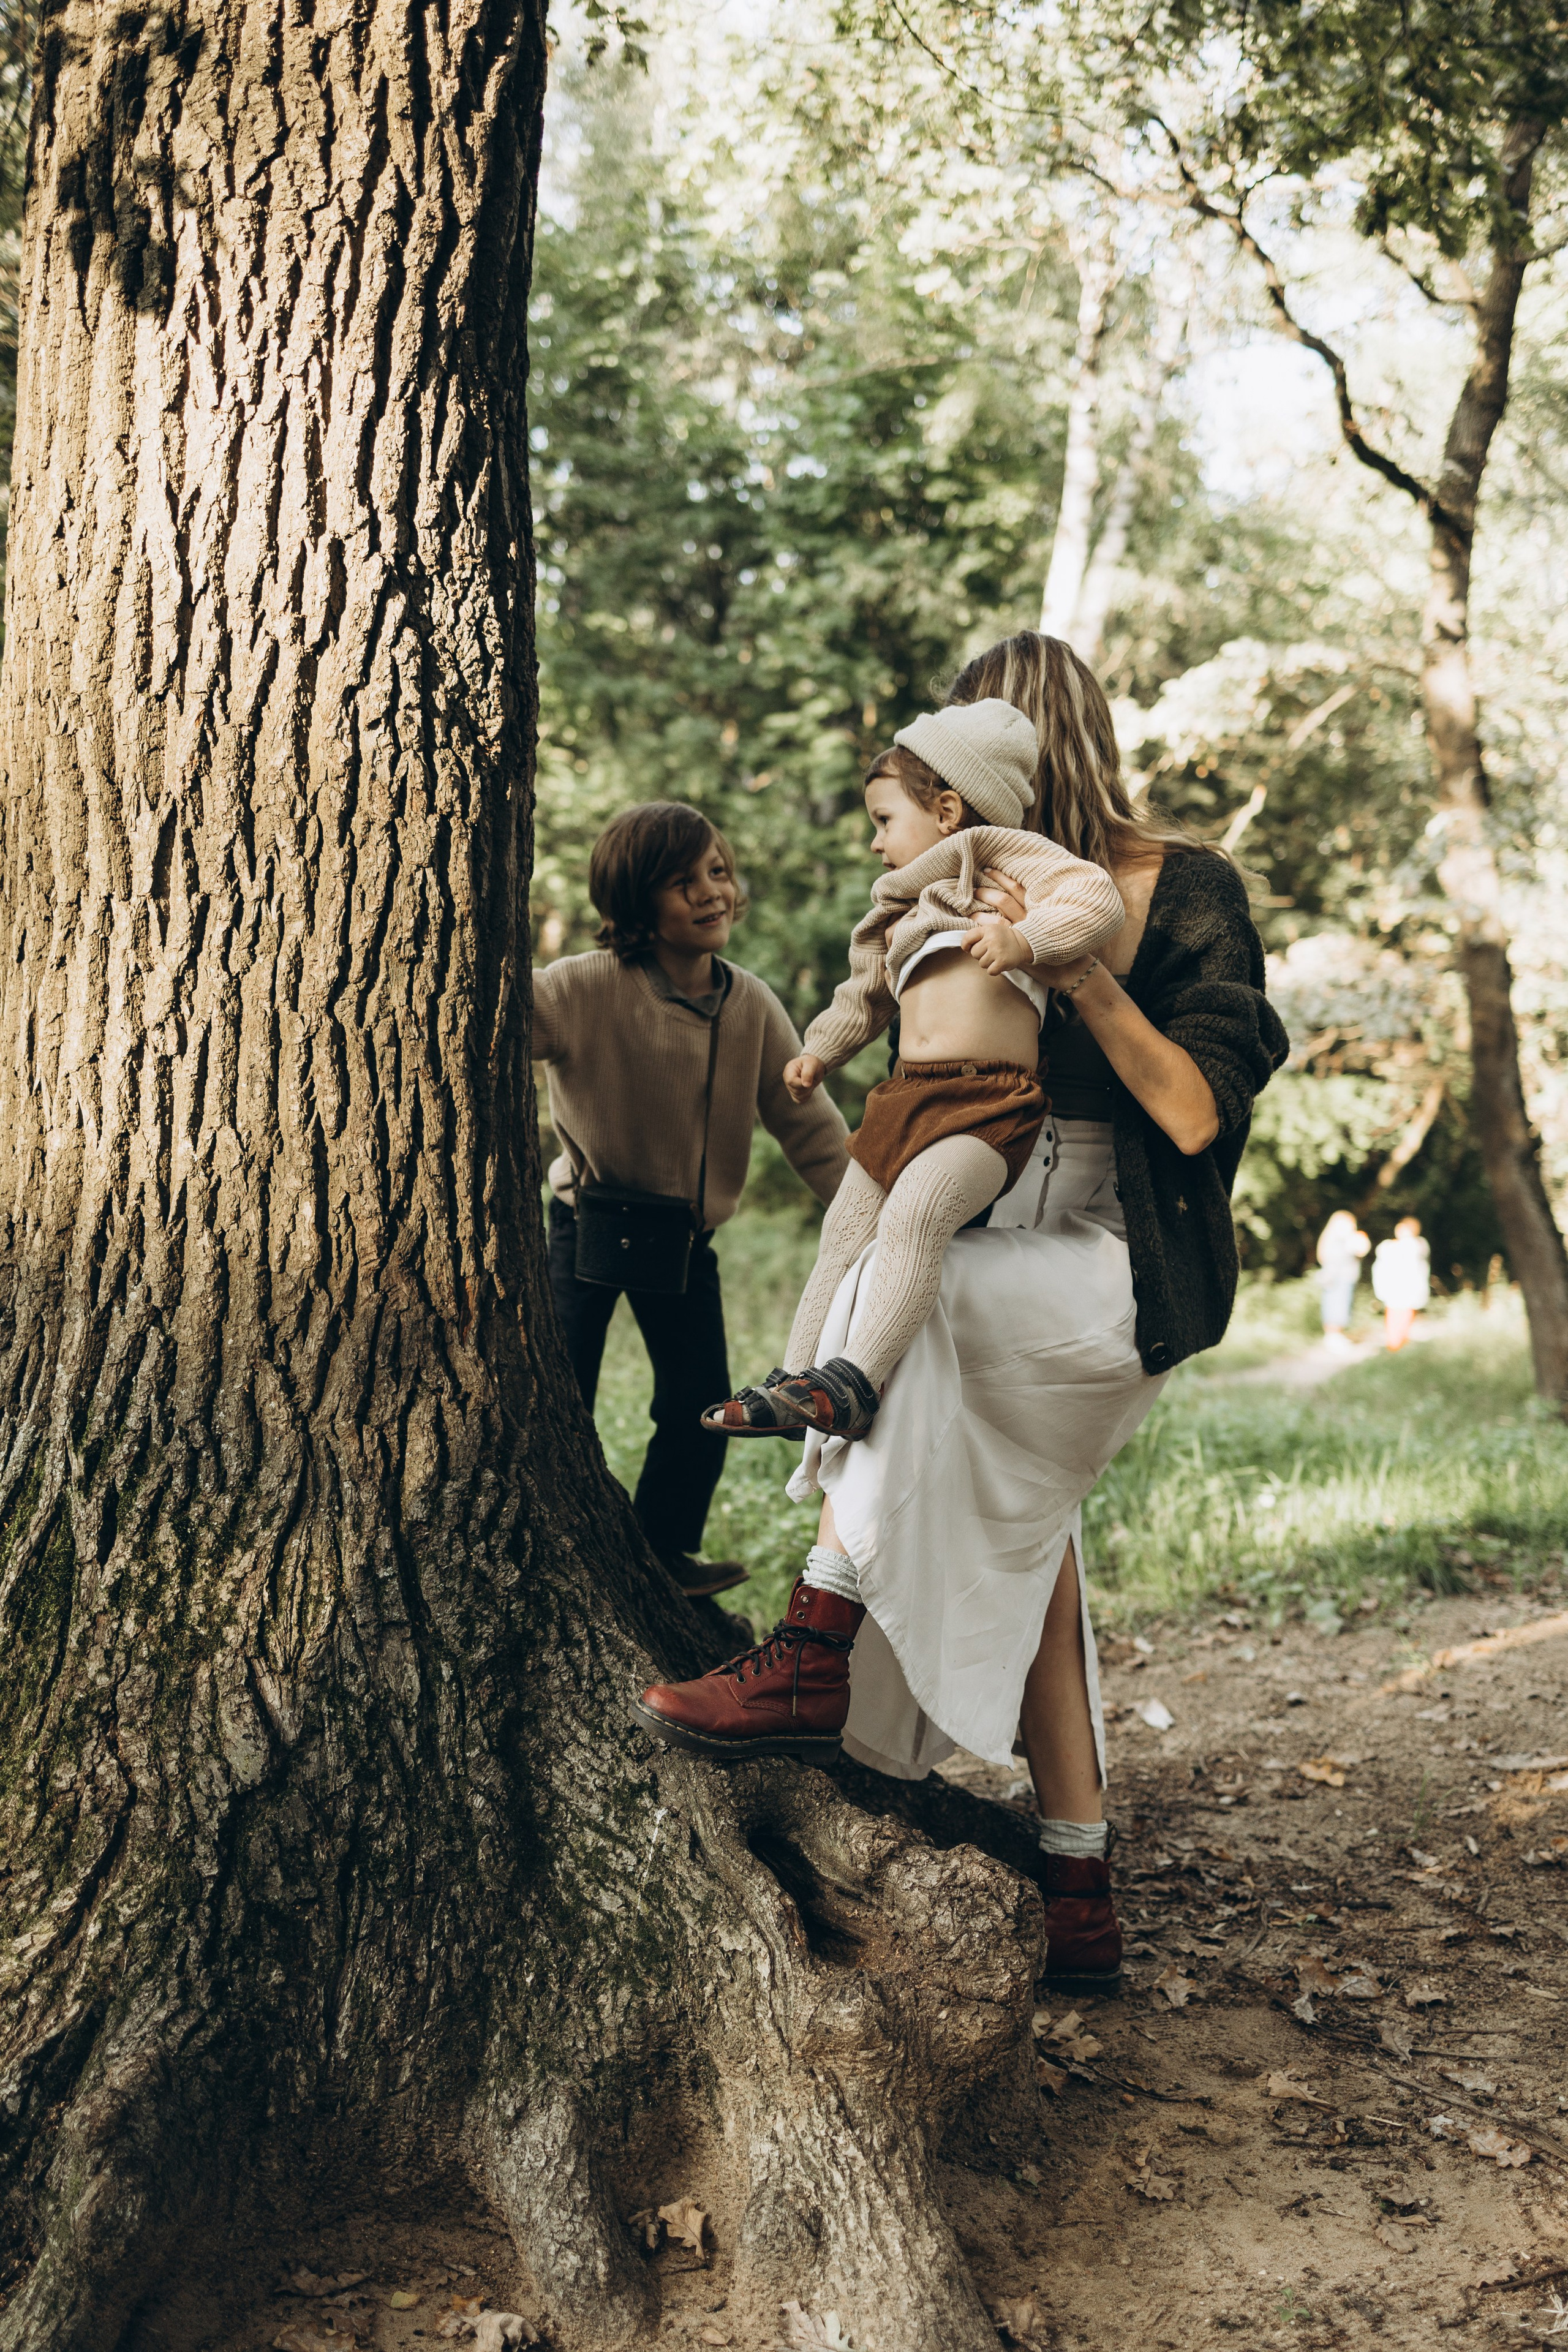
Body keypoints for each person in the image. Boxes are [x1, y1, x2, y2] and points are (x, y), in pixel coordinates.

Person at [634, 632, 1287, 1998]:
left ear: (1037, 753)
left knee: (905, 1313)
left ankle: (811, 1653)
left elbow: (1186, 1110)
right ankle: (1078, 1887)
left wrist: (1075, 968)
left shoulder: (1165, 893)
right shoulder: (960, 883)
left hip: (1111, 1263)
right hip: (996, 1228)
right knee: (1033, 1538)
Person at [698, 699, 1123, 1443]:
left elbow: (1096, 900)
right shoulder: (898, 904)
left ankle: (856, 1382)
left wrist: (1027, 941)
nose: (873, 843)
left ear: (949, 810)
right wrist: (819, 1051)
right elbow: (863, 994)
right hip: (904, 1098)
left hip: (987, 1102)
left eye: (884, 820)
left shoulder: (1008, 858)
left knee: (916, 1215)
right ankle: (797, 1381)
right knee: (843, 1229)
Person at [534, 802, 849, 1598]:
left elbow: (810, 1131)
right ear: (637, 904)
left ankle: (664, 1553)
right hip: (588, 1229)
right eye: (683, 882)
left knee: (698, 1404)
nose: (712, 893)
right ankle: (549, 1549)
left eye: (718, 872)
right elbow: (493, 1014)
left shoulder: (751, 1005)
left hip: (683, 1241)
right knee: (557, 1391)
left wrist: (873, 1219)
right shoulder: (580, 987)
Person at [1372, 1215, 1430, 1351]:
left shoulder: (1418, 1244)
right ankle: (1394, 1344)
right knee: (1393, 1316)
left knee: (1405, 1316)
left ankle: (1400, 1343)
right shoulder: (1389, 1245)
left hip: (1408, 1288)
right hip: (1393, 1288)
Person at [1316, 1209, 1370, 1349]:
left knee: (1339, 1306)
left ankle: (1336, 1336)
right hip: (1338, 1278)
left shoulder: (1336, 1239)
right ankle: (1333, 1339)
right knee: (1336, 1307)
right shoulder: (1339, 1240)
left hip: (1342, 1278)